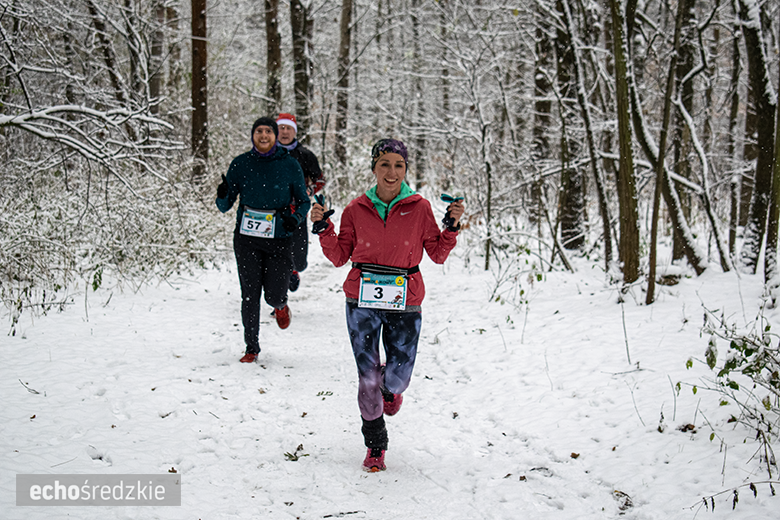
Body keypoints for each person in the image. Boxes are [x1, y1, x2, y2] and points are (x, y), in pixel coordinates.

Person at [310, 138, 464, 472]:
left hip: (405, 298)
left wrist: (450, 227)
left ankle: (390, 388)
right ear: (374, 168)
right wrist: (324, 228)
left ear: (405, 169)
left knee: (397, 379)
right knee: (366, 378)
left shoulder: (419, 207)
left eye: (398, 165)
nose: (391, 172)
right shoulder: (355, 209)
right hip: (361, 300)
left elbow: (436, 253)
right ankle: (375, 445)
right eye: (385, 165)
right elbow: (338, 256)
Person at [216, 117, 311, 364]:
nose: (264, 135)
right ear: (253, 135)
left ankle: (281, 305)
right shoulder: (240, 164)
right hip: (246, 238)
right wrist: (223, 194)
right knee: (249, 294)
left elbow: (304, 201)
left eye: (269, 131)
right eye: (259, 131)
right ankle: (252, 347)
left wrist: (295, 218)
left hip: (279, 238)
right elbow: (225, 206)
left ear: (276, 136)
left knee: (274, 295)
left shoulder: (290, 165)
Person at [276, 113, 325, 292]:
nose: (285, 132)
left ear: (294, 131)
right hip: (272, 212)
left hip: (297, 211)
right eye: (281, 128)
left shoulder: (305, 155)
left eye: (289, 128)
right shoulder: (268, 153)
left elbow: (320, 179)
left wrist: (309, 190)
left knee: (299, 257)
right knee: (274, 256)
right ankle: (279, 299)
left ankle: (295, 269)